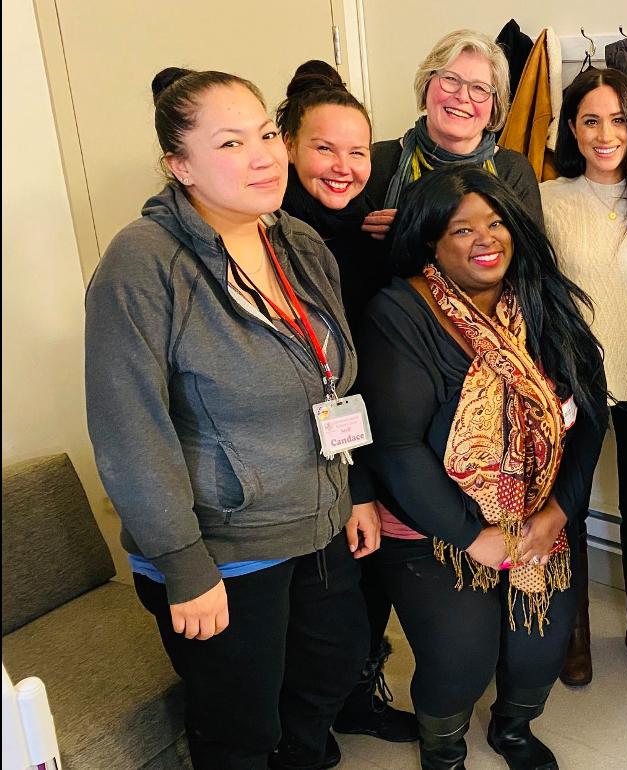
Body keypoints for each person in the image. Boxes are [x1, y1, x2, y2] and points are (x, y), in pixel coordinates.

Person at [84, 67, 375, 770]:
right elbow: (130, 428)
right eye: (232, 142)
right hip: (226, 544)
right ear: (179, 165)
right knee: (238, 723)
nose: (265, 154)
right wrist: (182, 564)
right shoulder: (143, 263)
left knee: (334, 668)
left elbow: (327, 380)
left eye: (268, 133)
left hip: (321, 517)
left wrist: (354, 488)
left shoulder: (297, 242)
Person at [350, 164, 608, 770]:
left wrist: (558, 513)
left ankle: (512, 729)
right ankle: (442, 750)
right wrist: (474, 536)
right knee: (461, 658)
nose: (485, 239)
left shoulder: (543, 300)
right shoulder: (400, 313)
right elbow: (396, 448)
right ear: (431, 242)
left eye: (495, 223)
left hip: (537, 515)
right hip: (433, 529)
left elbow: (592, 417)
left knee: (541, 647)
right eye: (462, 230)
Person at [275, 59, 417, 743]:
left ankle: (360, 692)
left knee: (372, 578)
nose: (342, 166)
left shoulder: (374, 231)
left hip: (375, 438)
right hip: (313, 453)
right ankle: (313, 713)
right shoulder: (272, 242)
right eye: (322, 149)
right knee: (322, 597)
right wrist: (354, 479)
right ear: (288, 147)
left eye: (356, 152)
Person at [541, 67, 627, 687]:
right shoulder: (546, 199)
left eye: (618, 120)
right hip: (574, 377)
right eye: (591, 120)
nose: (605, 134)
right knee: (569, 502)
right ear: (572, 126)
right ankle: (573, 631)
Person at [362, 28, 543, 243]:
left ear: (495, 105)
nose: (462, 96)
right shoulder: (377, 160)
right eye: (450, 79)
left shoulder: (513, 171)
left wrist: (411, 230)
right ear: (427, 83)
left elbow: (532, 267)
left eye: (479, 88)